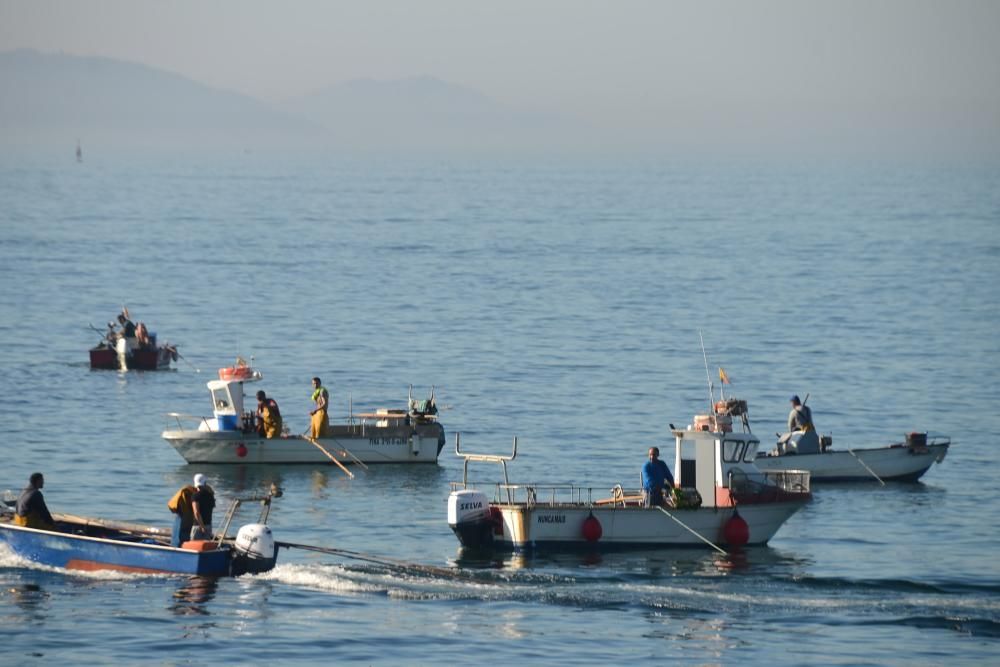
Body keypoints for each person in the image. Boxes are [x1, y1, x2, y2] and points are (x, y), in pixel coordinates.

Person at [167, 479, 197, 547]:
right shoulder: (187, 492)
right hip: (185, 515)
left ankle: (178, 547)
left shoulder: (185, 491)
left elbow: (172, 506)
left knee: (179, 536)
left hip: (183, 515)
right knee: (181, 536)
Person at [191, 474, 216, 540]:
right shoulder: (210, 495)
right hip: (208, 525)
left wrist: (202, 526)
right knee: (206, 547)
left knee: (194, 546)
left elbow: (196, 512)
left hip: (198, 526)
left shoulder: (195, 496)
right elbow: (212, 506)